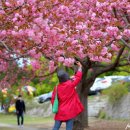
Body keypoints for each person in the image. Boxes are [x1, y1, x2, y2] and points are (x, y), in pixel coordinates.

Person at [51, 61, 84, 130]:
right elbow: (78, 77)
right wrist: (80, 67)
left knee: (55, 128)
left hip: (60, 111)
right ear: (66, 77)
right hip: (69, 111)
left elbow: (53, 100)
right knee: (69, 128)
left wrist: (55, 106)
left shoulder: (56, 88)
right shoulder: (70, 84)